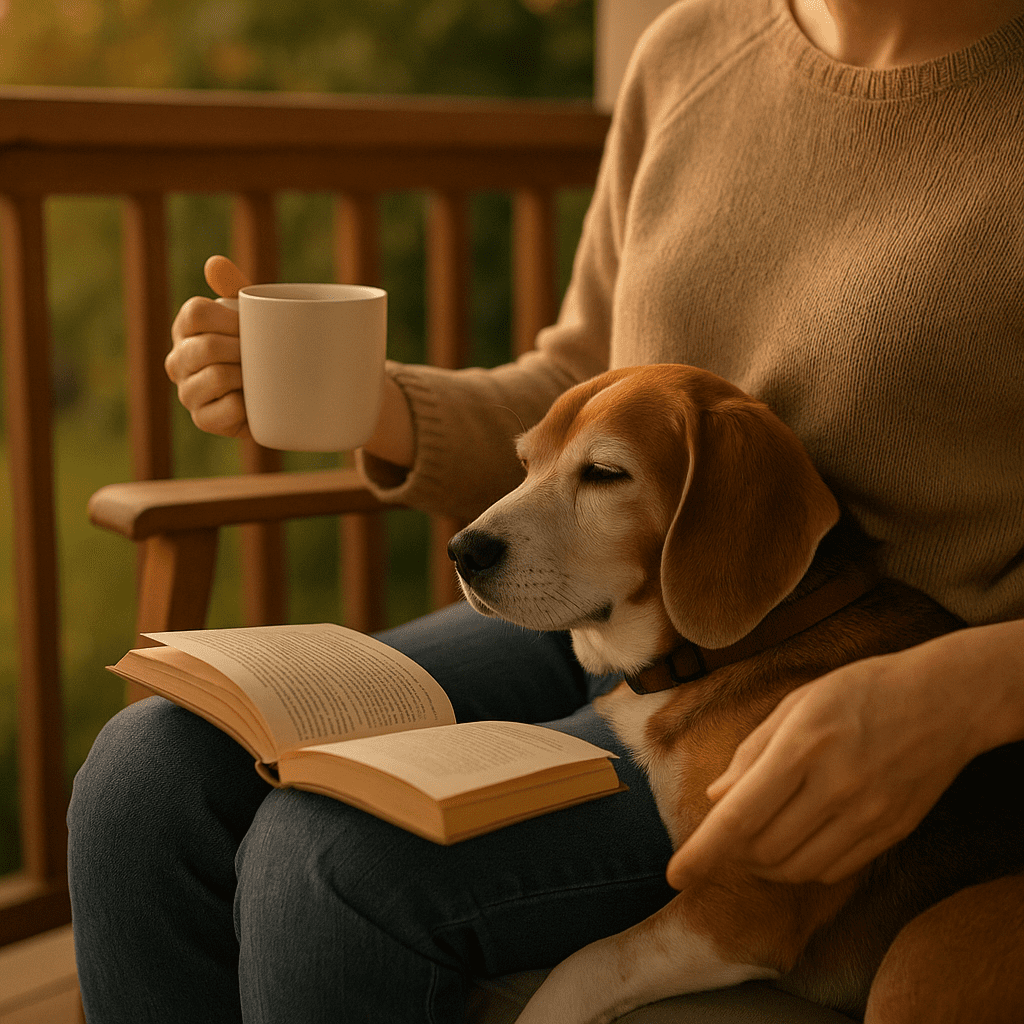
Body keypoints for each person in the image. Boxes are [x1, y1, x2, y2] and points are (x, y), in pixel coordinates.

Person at [68, 0, 1024, 1021]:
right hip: (599, 615)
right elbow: (584, 388)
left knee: (329, 861)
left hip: (853, 684)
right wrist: (371, 404)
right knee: (146, 777)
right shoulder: (690, 49)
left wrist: (966, 689)